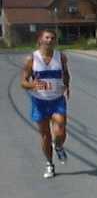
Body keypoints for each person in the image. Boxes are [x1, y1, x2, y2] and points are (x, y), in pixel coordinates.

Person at [21, 29, 70, 178]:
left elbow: (66, 74)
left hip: (57, 99)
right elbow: (23, 82)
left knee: (60, 129)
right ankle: (49, 164)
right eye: (47, 37)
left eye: (52, 38)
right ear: (40, 40)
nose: (50, 40)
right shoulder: (32, 58)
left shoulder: (61, 57)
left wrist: (67, 86)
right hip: (39, 101)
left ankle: (58, 146)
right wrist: (33, 85)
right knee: (45, 135)